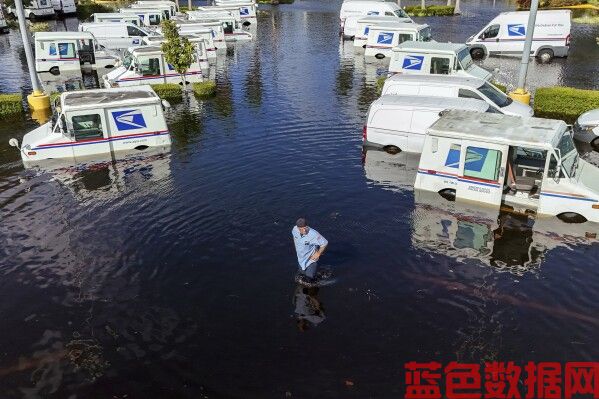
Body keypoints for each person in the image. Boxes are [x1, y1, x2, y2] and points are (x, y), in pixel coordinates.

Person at [291, 218, 329, 286]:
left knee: (309, 278)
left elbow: (325, 243)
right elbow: (294, 237)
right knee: (302, 274)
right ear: (297, 228)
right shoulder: (294, 229)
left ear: (307, 226)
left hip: (311, 259)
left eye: (305, 228)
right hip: (301, 259)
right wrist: (296, 247)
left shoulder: (313, 234)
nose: (304, 230)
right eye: (301, 229)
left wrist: (318, 254)